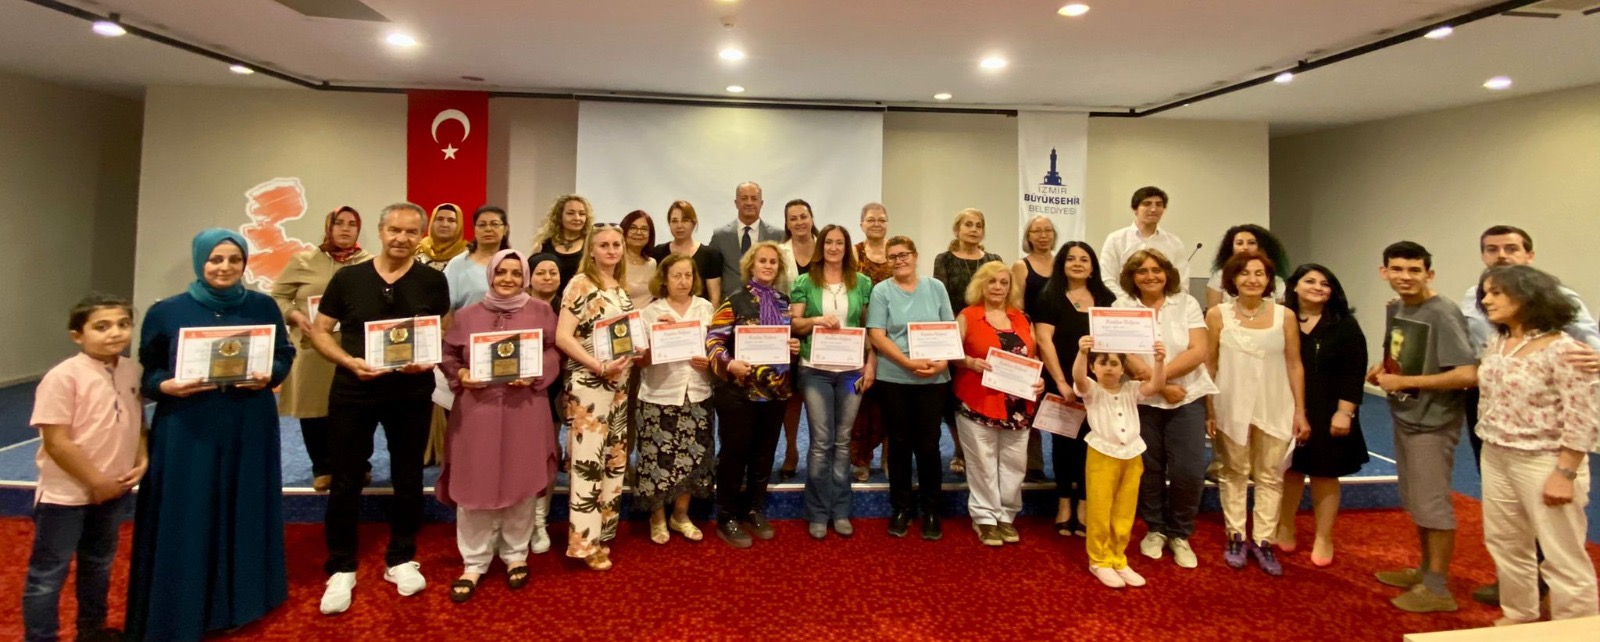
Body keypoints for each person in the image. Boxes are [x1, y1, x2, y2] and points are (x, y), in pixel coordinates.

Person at [127, 229, 295, 638]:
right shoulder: (166, 311)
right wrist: (166, 386)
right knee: (190, 510)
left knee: (245, 504)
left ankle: (243, 600)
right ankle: (185, 601)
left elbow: (283, 354)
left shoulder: (262, 306)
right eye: (215, 259)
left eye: (234, 260)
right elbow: (148, 372)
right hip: (188, 425)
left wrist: (270, 375)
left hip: (248, 422)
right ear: (200, 260)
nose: (225, 267)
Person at [307, 204, 450, 615]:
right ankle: (341, 565)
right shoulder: (348, 279)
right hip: (355, 389)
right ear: (381, 230)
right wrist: (347, 361)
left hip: (410, 392)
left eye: (410, 232)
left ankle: (401, 557)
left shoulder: (432, 281)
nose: (401, 238)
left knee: (408, 476)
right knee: (346, 477)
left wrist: (429, 359)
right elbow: (321, 331)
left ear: (420, 236)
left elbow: (440, 332)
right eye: (394, 230)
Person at [1457, 226, 1600, 606]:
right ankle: (1518, 612)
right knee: (1506, 541)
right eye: (1485, 293)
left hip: (1544, 459)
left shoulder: (1564, 349)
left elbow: (1584, 415)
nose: (1485, 301)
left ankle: (1575, 624)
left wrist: (1565, 472)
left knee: (1561, 552)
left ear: (1525, 297)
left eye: (1495, 294)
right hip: (1497, 454)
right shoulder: (1499, 342)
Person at [437, 250, 561, 602]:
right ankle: (474, 561)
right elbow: (448, 354)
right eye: (501, 272)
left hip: (526, 407)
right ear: (490, 275)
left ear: (525, 277)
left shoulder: (541, 311)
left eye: (515, 273)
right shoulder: (467, 315)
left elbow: (554, 351)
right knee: (474, 481)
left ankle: (515, 554)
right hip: (478, 410)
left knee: (521, 479)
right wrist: (461, 373)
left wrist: (536, 372)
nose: (508, 279)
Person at [24, 294, 146, 642]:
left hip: (114, 490)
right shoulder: (62, 377)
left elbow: (137, 420)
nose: (115, 333)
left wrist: (142, 460)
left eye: (123, 324)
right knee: (48, 573)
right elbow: (57, 442)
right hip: (65, 496)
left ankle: (92, 631)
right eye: (102, 327)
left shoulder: (132, 370)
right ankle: (41, 637)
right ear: (77, 335)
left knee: (98, 564)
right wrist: (95, 481)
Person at [1367, 241, 1478, 613]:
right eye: (1397, 269)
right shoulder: (1396, 307)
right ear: (1384, 272)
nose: (1405, 277)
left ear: (1429, 274)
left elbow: (1467, 374)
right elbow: (1400, 351)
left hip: (1434, 421)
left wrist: (1406, 382)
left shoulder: (1443, 312)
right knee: (1416, 500)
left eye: (1414, 270)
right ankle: (1425, 570)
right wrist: (1384, 368)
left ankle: (1438, 589)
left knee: (1433, 504)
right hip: (1405, 415)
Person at [1204, 251, 1310, 577]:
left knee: (1270, 474)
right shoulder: (1217, 315)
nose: (1252, 279)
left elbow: (1294, 364)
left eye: (1259, 273)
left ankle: (1264, 540)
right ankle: (1235, 536)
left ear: (1269, 279)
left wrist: (1300, 410)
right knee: (1234, 471)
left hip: (1275, 403)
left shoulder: (1285, 316)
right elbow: (1210, 364)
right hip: (1230, 403)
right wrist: (1209, 408)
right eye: (1245, 273)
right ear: (1232, 279)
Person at [1118, 248, 1217, 569]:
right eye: (1142, 271)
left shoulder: (1186, 303)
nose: (1150, 276)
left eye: (1156, 270)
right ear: (1132, 277)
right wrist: (1161, 387)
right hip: (1144, 400)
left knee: (1188, 470)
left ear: (1167, 273)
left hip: (1186, 397)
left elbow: (1199, 350)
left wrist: (1162, 379)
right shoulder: (1121, 307)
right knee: (1149, 468)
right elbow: (1122, 354)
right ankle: (1156, 529)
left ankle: (1180, 533)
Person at [554, 224, 639, 570]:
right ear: (591, 249)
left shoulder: (618, 287)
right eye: (603, 245)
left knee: (613, 460)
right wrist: (597, 365)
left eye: (616, 244)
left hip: (619, 384)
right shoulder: (580, 284)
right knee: (588, 464)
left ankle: (603, 534)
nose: (611, 250)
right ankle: (584, 544)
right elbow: (563, 337)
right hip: (589, 384)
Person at [706, 241, 800, 548]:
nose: (768, 266)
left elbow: (782, 340)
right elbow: (713, 342)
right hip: (739, 392)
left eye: (773, 261)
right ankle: (727, 516)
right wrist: (729, 363)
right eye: (763, 261)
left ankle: (753, 509)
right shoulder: (734, 300)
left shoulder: (784, 302)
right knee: (735, 454)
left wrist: (793, 346)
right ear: (751, 265)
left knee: (764, 453)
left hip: (775, 391)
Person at [271, 206, 372, 492]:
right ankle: (323, 466)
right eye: (339, 223)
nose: (345, 228)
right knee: (314, 408)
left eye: (352, 224)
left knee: (357, 410)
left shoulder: (368, 263)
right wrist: (294, 315)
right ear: (329, 227)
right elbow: (278, 296)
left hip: (352, 348)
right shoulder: (304, 260)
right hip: (312, 348)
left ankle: (359, 464)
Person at [1277, 264, 1369, 568]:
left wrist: (1345, 412)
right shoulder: (1281, 318)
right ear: (1295, 285)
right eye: (1310, 281)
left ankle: (1323, 537)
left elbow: (1354, 373)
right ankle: (1285, 526)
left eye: (1325, 283)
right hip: (1288, 406)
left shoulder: (1344, 325)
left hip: (1330, 409)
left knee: (1325, 474)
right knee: (1290, 470)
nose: (1318, 287)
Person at [868, 236, 955, 540]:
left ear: (915, 256)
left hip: (934, 378)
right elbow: (877, 335)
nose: (899, 260)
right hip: (895, 377)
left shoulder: (936, 287)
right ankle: (901, 507)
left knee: (929, 445)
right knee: (900, 444)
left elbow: (949, 328)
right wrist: (906, 362)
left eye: (904, 254)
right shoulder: (881, 291)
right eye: (892, 257)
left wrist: (943, 362)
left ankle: (932, 509)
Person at [951, 261, 1044, 546]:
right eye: (992, 281)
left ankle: (1006, 514)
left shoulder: (1022, 318)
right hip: (978, 400)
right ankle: (984, 517)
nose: (998, 287)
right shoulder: (968, 315)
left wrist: (1039, 379)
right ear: (981, 284)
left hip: (1018, 404)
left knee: (1015, 463)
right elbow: (951, 353)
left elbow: (1033, 356)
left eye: (1004, 282)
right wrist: (969, 362)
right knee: (982, 461)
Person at [791, 224, 875, 539]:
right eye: (829, 242)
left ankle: (840, 509)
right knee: (821, 441)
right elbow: (795, 324)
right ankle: (817, 512)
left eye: (840, 242)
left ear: (847, 247)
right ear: (821, 246)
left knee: (842, 441)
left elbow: (869, 328)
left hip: (851, 370)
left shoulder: (862, 282)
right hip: (814, 369)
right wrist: (816, 320)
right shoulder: (804, 281)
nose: (834, 248)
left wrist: (870, 365)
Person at [1034, 241, 1118, 537]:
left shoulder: (1107, 299)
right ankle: (1064, 503)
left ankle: (1084, 502)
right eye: (1071, 259)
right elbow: (1044, 341)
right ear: (1062, 264)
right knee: (1062, 444)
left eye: (1084, 259)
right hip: (1061, 382)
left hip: (1099, 386)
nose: (1078, 264)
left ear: (1093, 267)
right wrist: (1060, 382)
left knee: (1092, 444)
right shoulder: (1049, 297)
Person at [1074, 336, 1167, 589]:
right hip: (1102, 455)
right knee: (1100, 509)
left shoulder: (1131, 389)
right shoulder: (1091, 390)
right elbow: (1079, 379)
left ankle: (1117, 557)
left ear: (1123, 369)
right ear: (1093, 368)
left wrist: (1159, 361)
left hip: (1131, 456)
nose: (1108, 368)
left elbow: (1156, 384)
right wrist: (1082, 353)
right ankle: (1099, 560)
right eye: (1102, 363)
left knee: (1124, 510)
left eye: (1114, 363)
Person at [635, 255, 716, 544]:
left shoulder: (705, 308)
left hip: (697, 391)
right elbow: (640, 361)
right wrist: (659, 337)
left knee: (693, 456)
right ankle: (657, 517)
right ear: (664, 279)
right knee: (657, 458)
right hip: (659, 393)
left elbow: (716, 348)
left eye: (688, 275)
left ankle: (680, 515)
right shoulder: (650, 313)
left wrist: (710, 361)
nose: (683, 281)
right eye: (677, 276)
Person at [934, 208, 1003, 475]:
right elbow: (941, 299)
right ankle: (960, 449)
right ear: (957, 229)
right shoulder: (944, 260)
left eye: (978, 225)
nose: (973, 230)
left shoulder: (994, 259)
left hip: (988, 334)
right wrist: (961, 328)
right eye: (968, 225)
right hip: (957, 333)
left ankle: (986, 449)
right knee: (954, 395)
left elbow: (1001, 294)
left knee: (986, 392)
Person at [776, 199, 820, 481]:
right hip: (789, 332)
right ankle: (791, 449)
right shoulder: (779, 252)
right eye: (793, 218)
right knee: (791, 397)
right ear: (787, 223)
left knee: (818, 397)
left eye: (803, 216)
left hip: (824, 333)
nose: (799, 222)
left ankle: (819, 453)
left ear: (811, 217)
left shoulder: (825, 247)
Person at [851, 202, 893, 482]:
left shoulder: (896, 251)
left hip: (892, 336)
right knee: (861, 400)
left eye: (881, 219)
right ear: (862, 224)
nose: (877, 223)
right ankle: (861, 458)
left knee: (890, 400)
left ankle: (890, 455)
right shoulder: (854, 253)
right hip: (860, 332)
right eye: (871, 219)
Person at [1013, 215, 1057, 483]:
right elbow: (1017, 308)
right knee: (1031, 403)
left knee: (1062, 402)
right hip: (1033, 340)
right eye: (1037, 231)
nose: (1043, 235)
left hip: (1059, 342)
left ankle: (1065, 464)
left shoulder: (1063, 264)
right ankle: (1034, 465)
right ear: (1028, 236)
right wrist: (1031, 344)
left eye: (1047, 230)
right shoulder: (1021, 266)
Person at [526, 252, 565, 552]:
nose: (548, 277)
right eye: (541, 272)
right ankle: (519, 518)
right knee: (524, 454)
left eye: (553, 272)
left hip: (557, 389)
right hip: (522, 390)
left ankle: (540, 519)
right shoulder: (517, 306)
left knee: (548, 453)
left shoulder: (568, 307)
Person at [1100, 186, 1190, 300]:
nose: (1153, 209)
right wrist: (1130, 303)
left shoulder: (1174, 242)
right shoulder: (1115, 239)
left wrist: (1165, 304)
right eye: (1147, 204)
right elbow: (1107, 279)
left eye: (1159, 205)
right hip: (1123, 305)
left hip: (1166, 307)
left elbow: (1182, 284)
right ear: (1135, 209)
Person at [709, 181, 783, 300]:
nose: (749, 203)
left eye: (754, 198)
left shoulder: (777, 235)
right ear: (736, 203)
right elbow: (712, 274)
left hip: (767, 303)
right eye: (744, 198)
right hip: (729, 304)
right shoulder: (720, 236)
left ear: (761, 203)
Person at [649, 200, 724, 308]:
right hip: (664, 315)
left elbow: (715, 298)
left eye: (685, 220)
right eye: (674, 221)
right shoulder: (658, 252)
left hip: (700, 314)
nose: (679, 226)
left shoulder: (710, 255)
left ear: (694, 223)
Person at [442, 206, 512, 312]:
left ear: (505, 229)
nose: (488, 229)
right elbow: (447, 308)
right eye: (482, 225)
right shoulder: (458, 264)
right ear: (474, 230)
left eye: (495, 224)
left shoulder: (515, 263)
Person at [1205, 224, 1289, 308]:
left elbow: (1280, 313)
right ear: (1231, 248)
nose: (1245, 247)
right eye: (1239, 243)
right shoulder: (1219, 276)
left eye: (1251, 243)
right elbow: (1213, 311)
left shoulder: (1276, 280)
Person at [531, 194, 594, 299]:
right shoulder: (544, 244)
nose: (577, 218)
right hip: (548, 301)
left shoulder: (592, 244)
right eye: (570, 213)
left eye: (582, 214)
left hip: (581, 301)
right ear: (560, 216)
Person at [621, 209, 658, 311]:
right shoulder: (615, 262)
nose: (638, 232)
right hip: (621, 318)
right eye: (633, 228)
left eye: (644, 229)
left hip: (648, 318)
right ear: (624, 231)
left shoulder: (652, 264)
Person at [415, 203, 467, 270]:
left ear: (459, 225)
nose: (444, 225)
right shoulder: (417, 249)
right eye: (440, 219)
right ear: (432, 222)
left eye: (451, 220)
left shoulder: (469, 254)